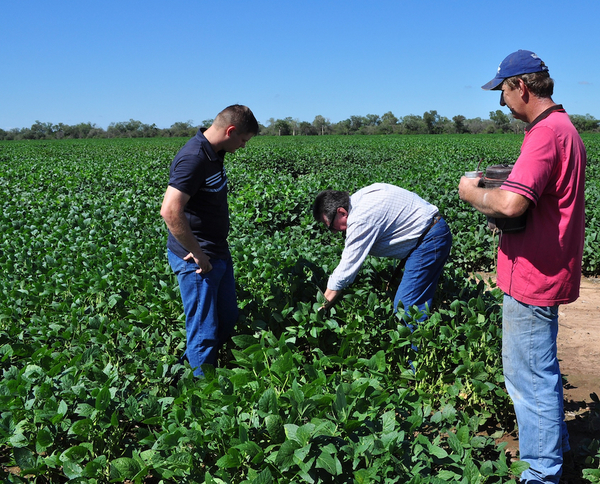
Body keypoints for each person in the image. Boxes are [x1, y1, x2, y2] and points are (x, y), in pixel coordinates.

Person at [458, 50, 586, 484]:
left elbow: (512, 202)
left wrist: (472, 192)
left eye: (503, 93)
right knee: (538, 369)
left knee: (528, 378)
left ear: (522, 87)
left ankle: (541, 473)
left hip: (533, 275)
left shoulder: (546, 134)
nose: (502, 104)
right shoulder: (564, 128)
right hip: (544, 266)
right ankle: (557, 451)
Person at [160, 104, 259, 377]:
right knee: (204, 332)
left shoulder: (215, 152)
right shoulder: (193, 158)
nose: (243, 146)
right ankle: (204, 397)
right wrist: (198, 253)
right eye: (243, 140)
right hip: (196, 257)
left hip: (216, 250)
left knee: (226, 318)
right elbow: (170, 210)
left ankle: (183, 371)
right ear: (230, 131)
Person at [312, 183, 452, 326]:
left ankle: (415, 346)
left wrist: (322, 306)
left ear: (342, 212)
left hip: (429, 240)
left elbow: (346, 269)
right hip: (432, 231)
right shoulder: (361, 198)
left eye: (330, 226)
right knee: (412, 301)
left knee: (406, 309)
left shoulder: (360, 219)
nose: (334, 231)